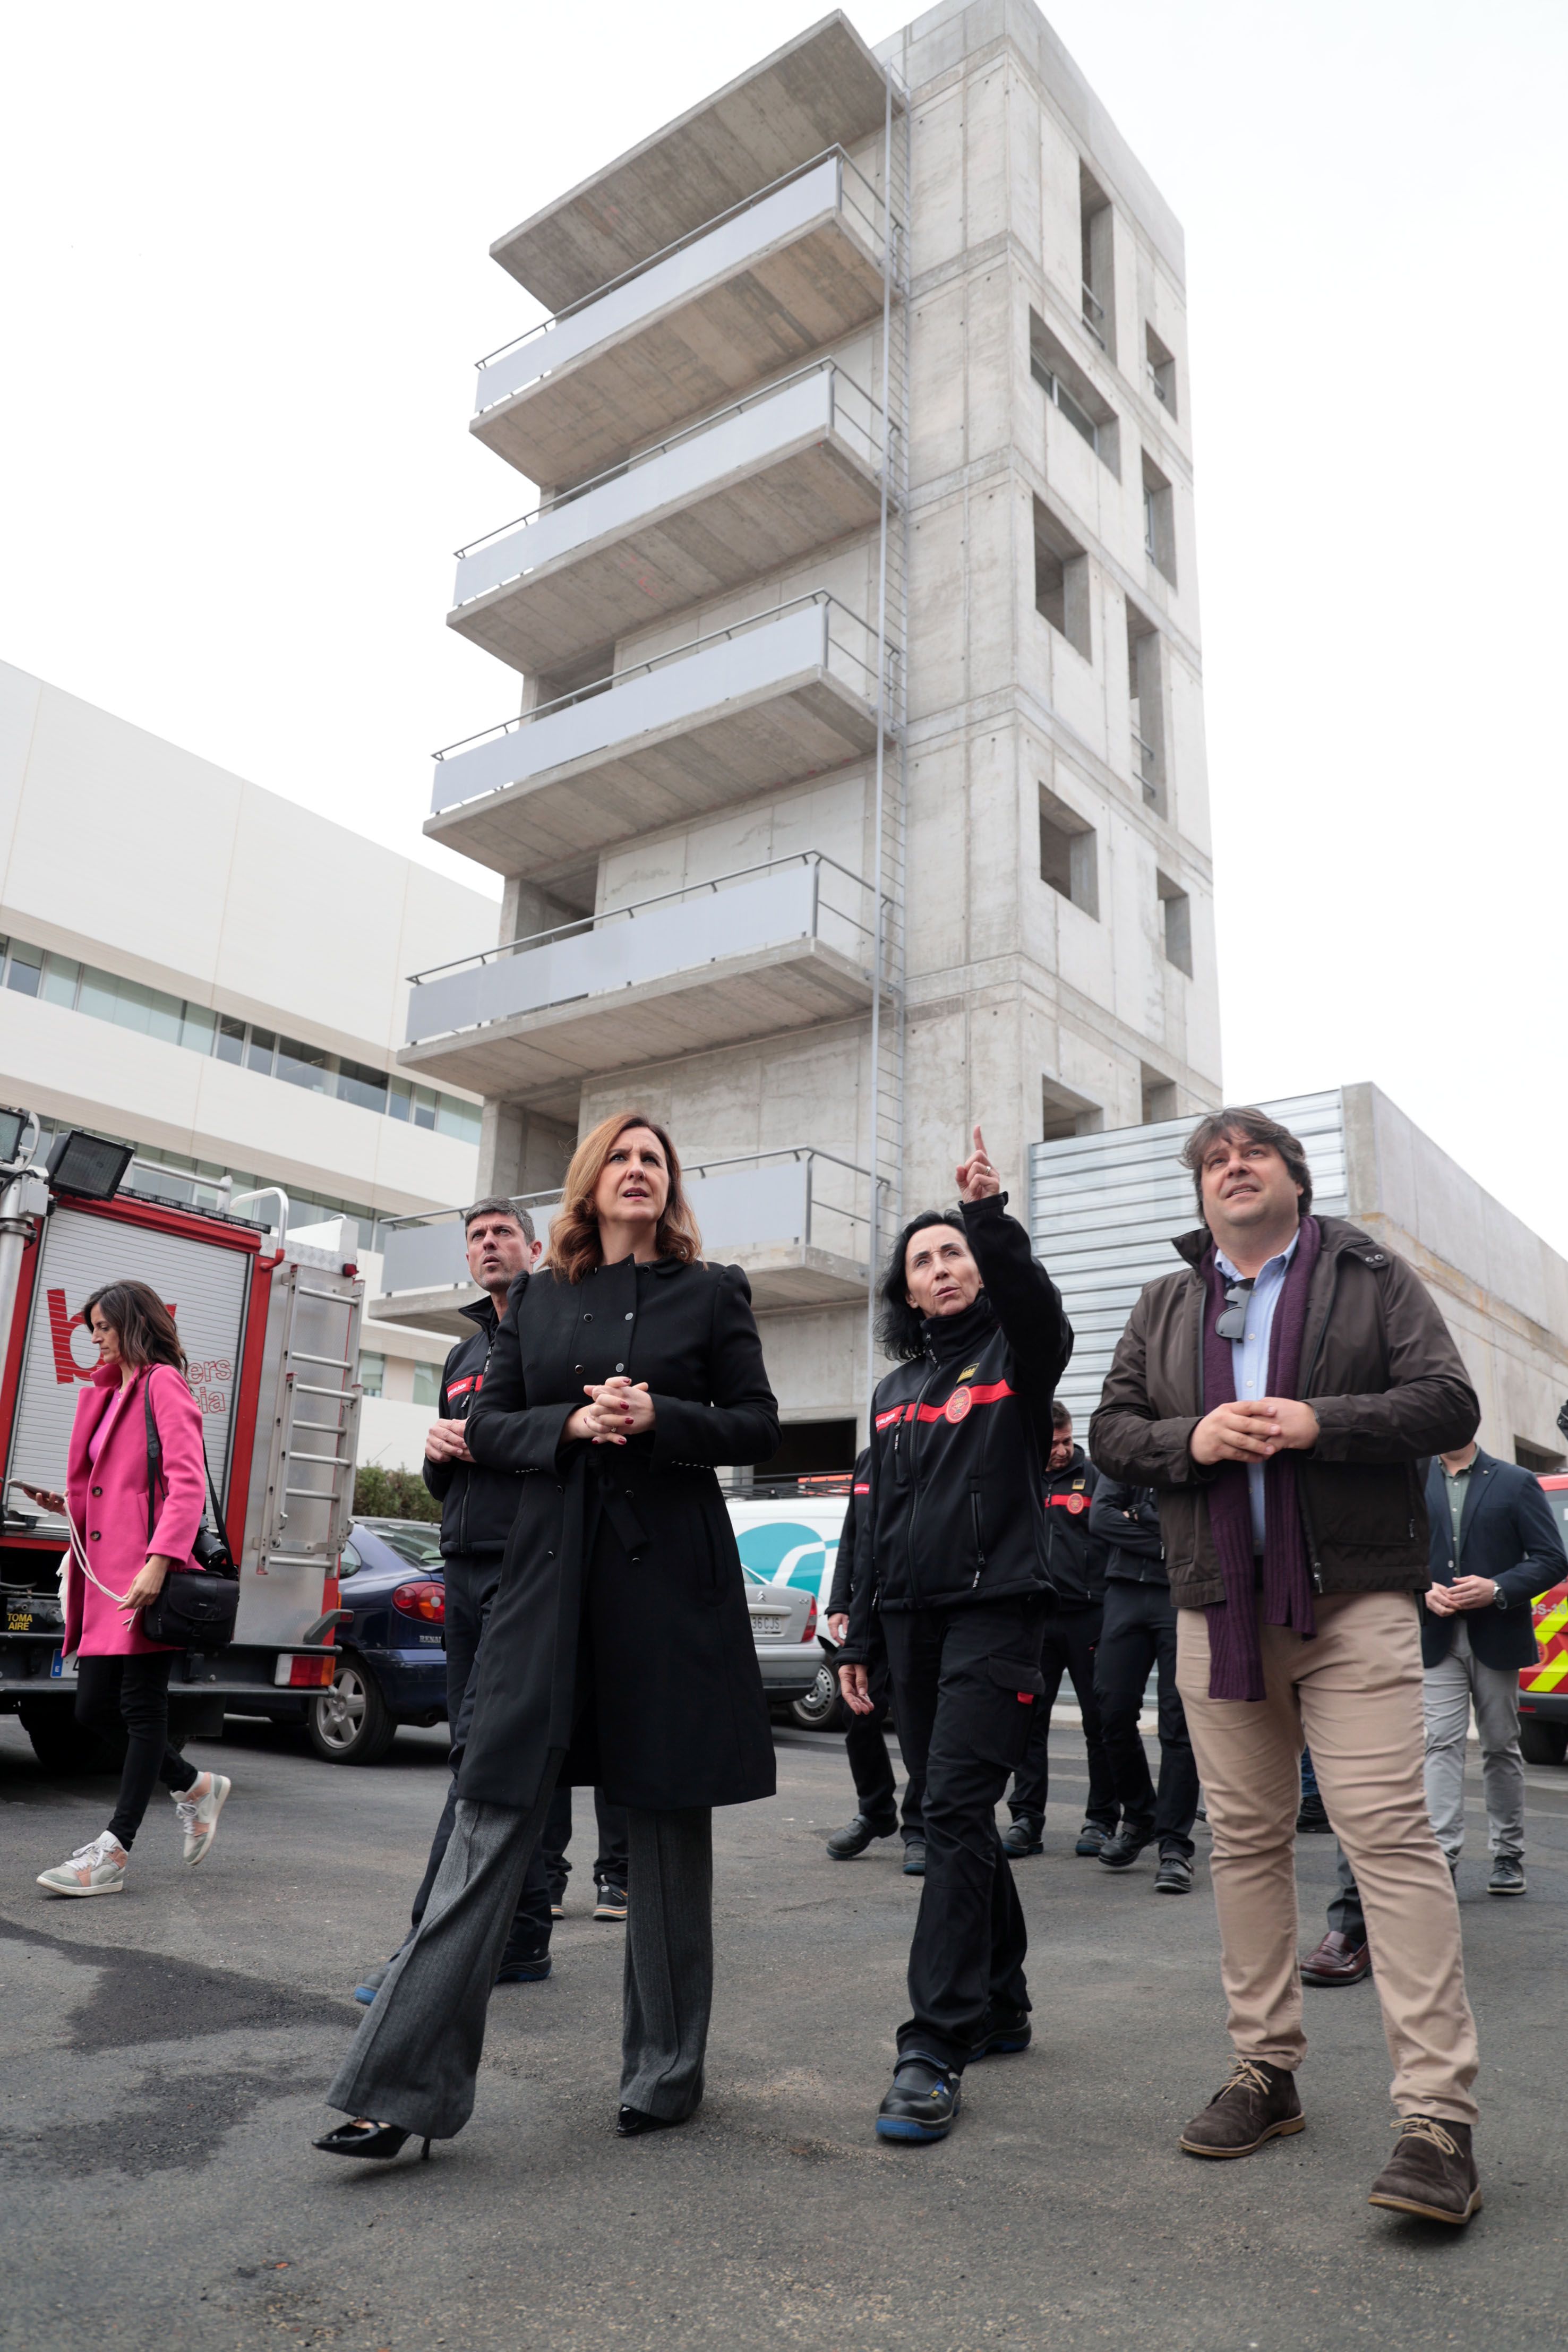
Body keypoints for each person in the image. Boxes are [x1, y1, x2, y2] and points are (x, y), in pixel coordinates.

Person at [314, 1110, 779, 2162]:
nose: (637, 1171)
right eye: (619, 1155)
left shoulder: (713, 1293)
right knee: (489, 1815)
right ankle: (401, 2084)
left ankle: (665, 2074)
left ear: (671, 1186)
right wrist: (570, 1425)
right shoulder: (535, 1298)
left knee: (665, 1834)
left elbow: (755, 1422)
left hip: (670, 1593)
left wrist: (663, 1415)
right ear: (589, 1177)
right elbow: (485, 1428)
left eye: (654, 1159)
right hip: (548, 1585)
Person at [1091, 1105, 1486, 2226]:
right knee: (1246, 1842)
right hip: (1217, 1607)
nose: (1231, 1167)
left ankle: (1436, 2122)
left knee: (1390, 1842)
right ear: (1201, 1193)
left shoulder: (1369, 1272)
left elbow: (1449, 1401)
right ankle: (1265, 2070)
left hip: (1352, 1599)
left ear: (1293, 1179)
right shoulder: (1169, 1300)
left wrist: (1322, 1420)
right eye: (1213, 1160)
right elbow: (1113, 1427)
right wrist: (1193, 1441)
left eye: (1250, 1152)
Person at [838, 1126, 1072, 2144]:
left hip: (997, 1611)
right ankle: (1006, 1997)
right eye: (923, 1256)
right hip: (905, 1624)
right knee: (956, 1810)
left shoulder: (1015, 1359)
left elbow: (1037, 1309)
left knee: (949, 1818)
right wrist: (852, 1634)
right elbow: (870, 1518)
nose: (939, 1268)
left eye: (954, 1253)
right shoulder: (891, 1394)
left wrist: (989, 1215)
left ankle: (933, 2042)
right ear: (904, 1284)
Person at [350, 1198, 562, 2005]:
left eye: (502, 1233)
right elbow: (448, 1476)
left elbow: (553, 1442)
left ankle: (424, 1945)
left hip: (527, 1565)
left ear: (533, 1249)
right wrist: (438, 1448)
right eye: (476, 1237)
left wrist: (488, 1440)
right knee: (489, 1753)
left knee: (480, 1751)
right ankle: (525, 1940)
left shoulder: (553, 1337)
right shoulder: (461, 1351)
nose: (488, 1245)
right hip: (459, 1570)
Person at [1300, 1435, 1560, 1981]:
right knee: (1438, 1742)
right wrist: (1422, 1593)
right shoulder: (1412, 1479)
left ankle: (1507, 1852)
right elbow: (1393, 1555)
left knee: (1498, 1743)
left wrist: (1497, 1587)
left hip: (1495, 1634)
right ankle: (1443, 1857)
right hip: (1435, 1635)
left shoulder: (1513, 1481)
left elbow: (1550, 1558)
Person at [35, 1280, 231, 1896]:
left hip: (147, 1576)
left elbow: (186, 1481)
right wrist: (61, 1503)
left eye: (102, 1326)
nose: (93, 1337)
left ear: (131, 1324)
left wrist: (160, 1560)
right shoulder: (106, 1393)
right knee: (92, 1706)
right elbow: (108, 1488)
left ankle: (115, 1850)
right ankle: (195, 1785)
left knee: (143, 1709)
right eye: (91, 1327)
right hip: (103, 1579)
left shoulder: (162, 1383)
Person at [1000, 1402, 1115, 1862]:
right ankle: (1026, 1819)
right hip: (1034, 1620)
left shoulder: (1095, 1476)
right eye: (1053, 1444)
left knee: (1100, 1723)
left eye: (1067, 1441)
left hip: (1089, 1616)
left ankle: (1102, 1818)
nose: (1062, 1451)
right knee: (1028, 1725)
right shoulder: (1017, 1477)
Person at [1087, 1475, 1199, 1892]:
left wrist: (1141, 1515)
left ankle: (1174, 1847)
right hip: (1125, 1592)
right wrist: (1166, 1542)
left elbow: (1198, 1525)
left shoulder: (1195, 1447)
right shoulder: (1127, 1454)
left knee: (1178, 1723)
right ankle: (1139, 1815)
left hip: (1182, 1595)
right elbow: (1100, 1518)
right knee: (1110, 1711)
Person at [822, 1449, 926, 1872]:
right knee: (858, 1714)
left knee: (915, 1721)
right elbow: (853, 1537)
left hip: (915, 1610)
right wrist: (838, 1602)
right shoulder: (868, 1461)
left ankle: (919, 1827)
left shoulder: (933, 1448)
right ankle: (876, 1810)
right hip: (869, 1611)